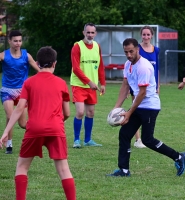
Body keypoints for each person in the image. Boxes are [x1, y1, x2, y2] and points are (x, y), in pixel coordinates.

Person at [0, 46, 76, 199]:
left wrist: (6, 131)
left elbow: (20, 108)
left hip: (34, 128)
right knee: (64, 170)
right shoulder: (61, 83)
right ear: (54, 64)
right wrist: (58, 121)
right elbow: (67, 113)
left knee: (22, 167)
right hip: (56, 128)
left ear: (37, 63)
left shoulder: (29, 83)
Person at [107, 38, 185, 177]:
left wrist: (129, 112)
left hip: (149, 106)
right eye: (126, 52)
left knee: (147, 139)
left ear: (137, 49)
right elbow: (125, 86)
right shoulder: (127, 64)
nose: (129, 55)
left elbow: (142, 92)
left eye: (131, 51)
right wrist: (116, 108)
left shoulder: (144, 66)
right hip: (138, 104)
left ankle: (179, 157)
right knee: (125, 134)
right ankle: (124, 170)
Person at [0, 30, 40, 154]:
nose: (18, 43)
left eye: (20, 41)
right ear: (10, 41)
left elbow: (39, 70)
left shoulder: (26, 56)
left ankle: (38, 135)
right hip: (7, 90)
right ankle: (9, 145)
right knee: (10, 115)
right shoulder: (3, 55)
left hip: (22, 92)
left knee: (23, 124)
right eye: (15, 41)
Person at [70, 23, 106, 148]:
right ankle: (76, 140)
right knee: (80, 112)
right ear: (83, 32)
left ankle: (88, 140)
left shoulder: (97, 46)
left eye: (92, 32)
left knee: (90, 113)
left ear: (95, 33)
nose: (90, 35)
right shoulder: (77, 47)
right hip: (79, 85)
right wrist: (89, 82)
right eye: (88, 32)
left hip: (92, 86)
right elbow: (76, 68)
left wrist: (103, 83)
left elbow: (100, 66)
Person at [131, 25, 160, 148]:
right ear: (141, 35)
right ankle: (138, 140)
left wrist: (158, 85)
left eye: (148, 34)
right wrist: (129, 88)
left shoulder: (156, 50)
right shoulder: (137, 49)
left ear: (152, 36)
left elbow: (157, 68)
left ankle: (145, 136)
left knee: (147, 112)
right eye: (144, 34)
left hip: (151, 87)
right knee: (136, 111)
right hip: (138, 86)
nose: (146, 37)